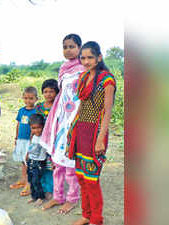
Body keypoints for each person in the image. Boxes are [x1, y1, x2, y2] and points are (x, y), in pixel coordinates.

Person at [67, 41, 116, 225]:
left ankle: (96, 219)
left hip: (95, 133)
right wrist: (72, 128)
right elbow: (82, 105)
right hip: (81, 131)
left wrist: (100, 140)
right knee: (81, 177)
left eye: (90, 57)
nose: (86, 61)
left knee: (92, 180)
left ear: (99, 58)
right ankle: (86, 215)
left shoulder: (107, 80)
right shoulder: (83, 78)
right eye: (83, 57)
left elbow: (107, 112)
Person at [41, 34, 84, 214]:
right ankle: (58, 197)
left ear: (80, 48)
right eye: (65, 47)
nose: (68, 50)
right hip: (60, 121)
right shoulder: (64, 69)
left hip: (75, 120)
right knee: (57, 162)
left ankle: (72, 199)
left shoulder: (84, 69)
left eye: (72, 46)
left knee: (70, 163)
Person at [9, 86, 38, 197]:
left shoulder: (36, 111)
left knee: (29, 161)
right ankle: (23, 179)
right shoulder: (21, 110)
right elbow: (18, 124)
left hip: (30, 141)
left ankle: (29, 183)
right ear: (22, 98)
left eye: (31, 98)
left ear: (36, 99)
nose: (28, 101)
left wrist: (33, 141)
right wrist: (16, 138)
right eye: (25, 98)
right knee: (22, 160)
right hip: (21, 139)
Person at [35, 79, 59, 200]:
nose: (48, 94)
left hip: (52, 141)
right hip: (39, 141)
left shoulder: (58, 106)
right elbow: (33, 122)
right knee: (40, 164)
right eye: (45, 91)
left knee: (50, 166)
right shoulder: (38, 106)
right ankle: (41, 188)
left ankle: (49, 189)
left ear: (57, 92)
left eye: (51, 91)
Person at [25, 114, 50, 206]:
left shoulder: (44, 137)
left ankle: (41, 197)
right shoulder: (33, 136)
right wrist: (27, 154)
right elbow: (31, 146)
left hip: (40, 162)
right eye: (33, 128)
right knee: (31, 179)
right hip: (31, 161)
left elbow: (49, 149)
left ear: (43, 126)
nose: (36, 130)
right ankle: (34, 196)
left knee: (36, 180)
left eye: (39, 127)